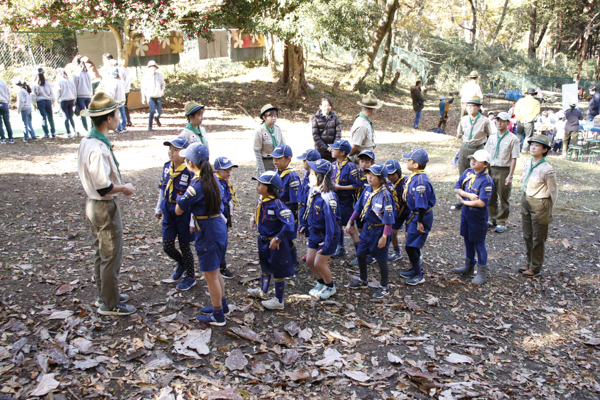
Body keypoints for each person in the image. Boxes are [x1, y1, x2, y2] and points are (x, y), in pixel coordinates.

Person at [77, 92, 136, 315]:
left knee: (101, 252)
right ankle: (110, 304)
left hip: (95, 204)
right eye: (116, 114)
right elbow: (103, 187)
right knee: (111, 254)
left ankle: (106, 293)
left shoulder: (88, 140)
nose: (119, 117)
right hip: (103, 205)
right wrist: (124, 188)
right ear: (108, 119)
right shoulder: (97, 148)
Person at [176, 143, 229, 325]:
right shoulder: (213, 179)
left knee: (211, 275)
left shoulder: (197, 184)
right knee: (216, 271)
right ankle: (222, 305)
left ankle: (218, 315)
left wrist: (178, 197)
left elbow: (178, 209)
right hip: (217, 226)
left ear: (190, 163)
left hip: (208, 231)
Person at [345, 163, 395, 298]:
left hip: (380, 231)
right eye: (368, 174)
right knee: (360, 254)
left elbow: (389, 220)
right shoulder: (367, 190)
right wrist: (350, 222)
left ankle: (384, 286)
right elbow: (358, 208)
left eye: (373, 175)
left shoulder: (385, 196)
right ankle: (363, 280)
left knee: (381, 259)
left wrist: (384, 237)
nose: (369, 177)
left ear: (382, 179)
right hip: (367, 229)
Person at [248, 171, 296, 310]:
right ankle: (263, 291)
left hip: (276, 244)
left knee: (278, 270)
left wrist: (278, 238)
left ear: (271, 188)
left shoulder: (278, 204)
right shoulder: (261, 200)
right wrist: (253, 217)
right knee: (265, 266)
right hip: (262, 241)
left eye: (260, 184)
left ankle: (279, 300)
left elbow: (289, 222)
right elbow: (257, 211)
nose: (257, 186)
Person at [155, 137, 197, 291]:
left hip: (184, 211)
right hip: (168, 208)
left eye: (175, 150)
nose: (171, 152)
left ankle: (191, 277)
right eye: (170, 149)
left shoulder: (190, 170)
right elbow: (162, 188)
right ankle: (182, 263)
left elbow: (194, 197)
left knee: (185, 245)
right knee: (167, 246)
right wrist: (158, 207)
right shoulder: (167, 167)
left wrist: (193, 220)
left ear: (185, 153)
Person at [299, 159, 340, 299]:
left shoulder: (328, 198)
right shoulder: (313, 190)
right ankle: (320, 283)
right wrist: (303, 224)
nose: (309, 176)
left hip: (327, 235)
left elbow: (331, 223)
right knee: (310, 261)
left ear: (322, 177)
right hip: (314, 232)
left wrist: (328, 242)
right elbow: (307, 209)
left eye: (312, 174)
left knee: (319, 263)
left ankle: (330, 286)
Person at [452, 150, 494, 285]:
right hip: (466, 213)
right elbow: (456, 188)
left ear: (485, 164)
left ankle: (482, 272)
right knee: (467, 239)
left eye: (477, 159)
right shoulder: (468, 172)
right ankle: (468, 266)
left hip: (478, 216)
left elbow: (481, 202)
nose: (473, 161)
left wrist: (463, 201)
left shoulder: (486, 181)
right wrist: (469, 196)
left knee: (479, 243)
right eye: (472, 158)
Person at [520, 135, 558, 277]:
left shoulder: (547, 169)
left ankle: (536, 266)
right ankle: (529, 262)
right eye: (532, 145)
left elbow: (553, 190)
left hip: (540, 202)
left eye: (537, 146)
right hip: (527, 199)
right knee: (528, 234)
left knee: (538, 237)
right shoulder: (528, 163)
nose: (533, 147)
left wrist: (549, 208)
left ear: (545, 150)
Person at [400, 148, 436, 285]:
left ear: (416, 165)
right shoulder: (415, 177)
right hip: (414, 215)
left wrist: (420, 221)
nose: (407, 162)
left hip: (420, 216)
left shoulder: (420, 181)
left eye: (409, 160)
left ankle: (419, 275)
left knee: (411, 246)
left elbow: (421, 204)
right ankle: (414, 269)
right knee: (411, 244)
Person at [483, 112, 520, 233]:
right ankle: (492, 218)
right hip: (491, 169)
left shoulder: (513, 139)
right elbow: (486, 155)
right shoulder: (492, 137)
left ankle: (501, 221)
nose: (499, 123)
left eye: (502, 121)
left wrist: (510, 175)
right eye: (497, 120)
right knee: (491, 195)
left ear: (508, 123)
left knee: (504, 197)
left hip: (504, 170)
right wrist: (485, 170)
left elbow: (514, 158)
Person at [453, 96, 492, 210]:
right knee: (463, 173)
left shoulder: (485, 120)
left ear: (479, 107)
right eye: (468, 106)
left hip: (478, 148)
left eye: (473, 106)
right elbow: (459, 134)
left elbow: (489, 134)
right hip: (465, 147)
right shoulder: (464, 119)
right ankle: (461, 200)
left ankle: (478, 198)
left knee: (479, 173)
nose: (470, 108)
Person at [271, 144, 303, 268]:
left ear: (288, 159)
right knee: (278, 236)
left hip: (288, 211)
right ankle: (281, 260)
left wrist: (294, 216)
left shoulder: (292, 176)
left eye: (278, 159)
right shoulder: (274, 173)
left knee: (287, 238)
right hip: (277, 210)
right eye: (274, 158)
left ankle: (294, 263)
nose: (275, 161)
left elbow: (295, 199)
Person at [329, 140, 361, 260]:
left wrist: (340, 187)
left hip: (345, 201)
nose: (331, 150)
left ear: (342, 152)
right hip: (335, 200)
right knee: (338, 225)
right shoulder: (333, 165)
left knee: (351, 228)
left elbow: (357, 185)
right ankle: (341, 247)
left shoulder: (351, 166)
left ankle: (360, 253)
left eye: (334, 148)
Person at [214, 156, 239, 279]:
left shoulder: (225, 183)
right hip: (218, 217)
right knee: (219, 242)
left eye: (230, 169)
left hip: (225, 216)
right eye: (226, 170)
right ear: (217, 171)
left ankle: (220, 265)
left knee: (223, 242)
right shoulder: (216, 184)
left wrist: (229, 217)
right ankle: (218, 267)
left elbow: (227, 201)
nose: (229, 172)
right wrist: (223, 220)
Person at [385, 159, 410, 261]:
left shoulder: (407, 182)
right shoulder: (387, 184)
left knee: (409, 235)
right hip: (396, 211)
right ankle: (396, 252)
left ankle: (416, 254)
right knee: (392, 233)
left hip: (408, 211)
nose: (390, 177)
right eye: (388, 174)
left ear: (398, 172)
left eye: (392, 174)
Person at [254, 104, 285, 175]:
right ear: (264, 117)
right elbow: (257, 151)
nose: (273, 118)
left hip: (277, 163)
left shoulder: (277, 129)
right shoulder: (260, 131)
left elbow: (283, 146)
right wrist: (262, 170)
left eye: (275, 116)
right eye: (270, 116)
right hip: (265, 162)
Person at [349, 91, 382, 156]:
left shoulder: (365, 121)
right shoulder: (362, 125)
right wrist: (347, 158)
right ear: (373, 109)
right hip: (361, 161)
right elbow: (354, 147)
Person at [32, 68, 56, 140]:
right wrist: (53, 101)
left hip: (40, 101)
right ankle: (53, 133)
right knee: (50, 118)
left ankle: (46, 134)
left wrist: (34, 104)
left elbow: (33, 95)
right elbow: (52, 92)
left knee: (43, 117)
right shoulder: (47, 83)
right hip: (48, 101)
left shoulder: (35, 84)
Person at [141, 60, 165, 131]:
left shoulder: (159, 75)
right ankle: (150, 126)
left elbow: (163, 84)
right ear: (149, 68)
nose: (153, 68)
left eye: (154, 67)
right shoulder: (146, 77)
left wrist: (162, 90)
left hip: (158, 95)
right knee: (152, 111)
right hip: (149, 95)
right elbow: (143, 88)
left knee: (159, 111)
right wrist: (143, 97)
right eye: (151, 67)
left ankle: (156, 118)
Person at [55, 68, 78, 138]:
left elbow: (57, 92)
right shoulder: (71, 81)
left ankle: (68, 132)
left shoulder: (59, 81)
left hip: (63, 100)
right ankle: (74, 131)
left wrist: (57, 99)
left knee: (65, 117)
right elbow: (74, 91)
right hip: (71, 100)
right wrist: (74, 99)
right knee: (71, 117)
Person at [72, 56, 93, 132]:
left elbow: (74, 86)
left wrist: (74, 97)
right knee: (90, 112)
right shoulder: (87, 73)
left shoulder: (76, 73)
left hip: (80, 95)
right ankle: (92, 127)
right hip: (88, 94)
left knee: (83, 112)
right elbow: (90, 84)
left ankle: (85, 128)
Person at [103, 67, 127, 134]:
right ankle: (124, 126)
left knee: (116, 114)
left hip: (116, 100)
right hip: (122, 99)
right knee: (122, 113)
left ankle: (119, 128)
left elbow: (111, 93)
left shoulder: (113, 82)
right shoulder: (121, 81)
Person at [0, 78, 14, 144]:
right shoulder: (3, 82)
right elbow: (8, 93)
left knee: (0, 124)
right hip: (4, 103)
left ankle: (3, 138)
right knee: (7, 122)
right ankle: (11, 138)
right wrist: (8, 102)